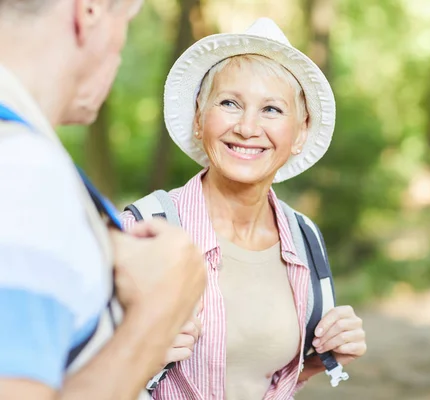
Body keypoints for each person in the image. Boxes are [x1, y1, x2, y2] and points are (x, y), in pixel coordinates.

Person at [121, 18, 367, 399]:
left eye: (271, 109)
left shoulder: (304, 237)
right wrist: (137, 365)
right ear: (199, 118)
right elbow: (72, 373)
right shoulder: (143, 230)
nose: (248, 127)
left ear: (300, 132)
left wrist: (318, 359)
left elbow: (260, 378)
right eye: (230, 103)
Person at [0, 1, 207, 399]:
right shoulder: (23, 171)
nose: (120, 50)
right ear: (89, 12)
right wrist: (158, 312)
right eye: (125, 23)